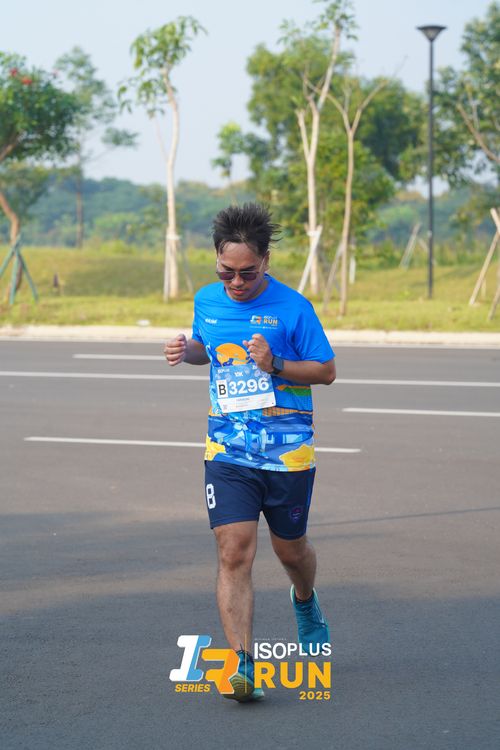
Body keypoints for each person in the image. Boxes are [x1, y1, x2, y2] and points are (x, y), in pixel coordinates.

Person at [164, 203, 336, 702]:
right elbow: (208, 348)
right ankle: (242, 665)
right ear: (216, 260)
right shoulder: (206, 300)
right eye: (226, 272)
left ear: (265, 260)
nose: (236, 282)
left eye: (247, 273)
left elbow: (325, 371)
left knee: (291, 551)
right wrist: (185, 351)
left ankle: (305, 599)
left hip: (287, 454)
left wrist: (275, 363)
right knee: (233, 550)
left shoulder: (294, 308)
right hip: (227, 449)